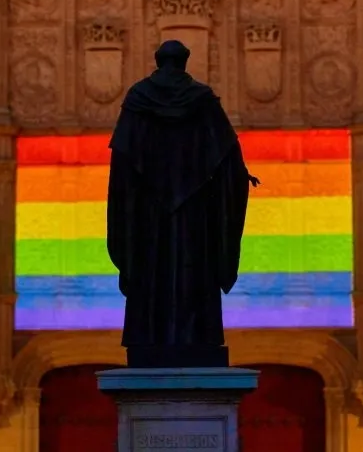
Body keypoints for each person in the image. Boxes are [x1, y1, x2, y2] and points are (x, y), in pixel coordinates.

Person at [107, 40, 259, 368]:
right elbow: (227, 155)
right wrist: (240, 178)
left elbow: (122, 159)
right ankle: (196, 337)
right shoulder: (202, 100)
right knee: (193, 272)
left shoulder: (137, 99)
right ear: (185, 63)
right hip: (195, 214)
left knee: (151, 272)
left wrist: (125, 203)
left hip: (147, 214)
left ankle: (150, 337)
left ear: (158, 61)